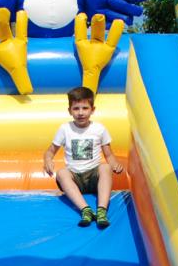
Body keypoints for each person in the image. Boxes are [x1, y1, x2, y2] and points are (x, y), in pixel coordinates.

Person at [44, 85, 124, 229]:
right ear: (69, 111)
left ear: (92, 109)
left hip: (94, 177)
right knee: (62, 173)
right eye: (76, 108)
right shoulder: (65, 129)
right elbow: (50, 151)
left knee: (105, 167)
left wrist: (114, 164)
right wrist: (48, 160)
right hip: (75, 179)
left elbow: (109, 154)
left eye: (85, 108)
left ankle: (101, 211)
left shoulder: (99, 129)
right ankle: (85, 210)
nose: (80, 113)